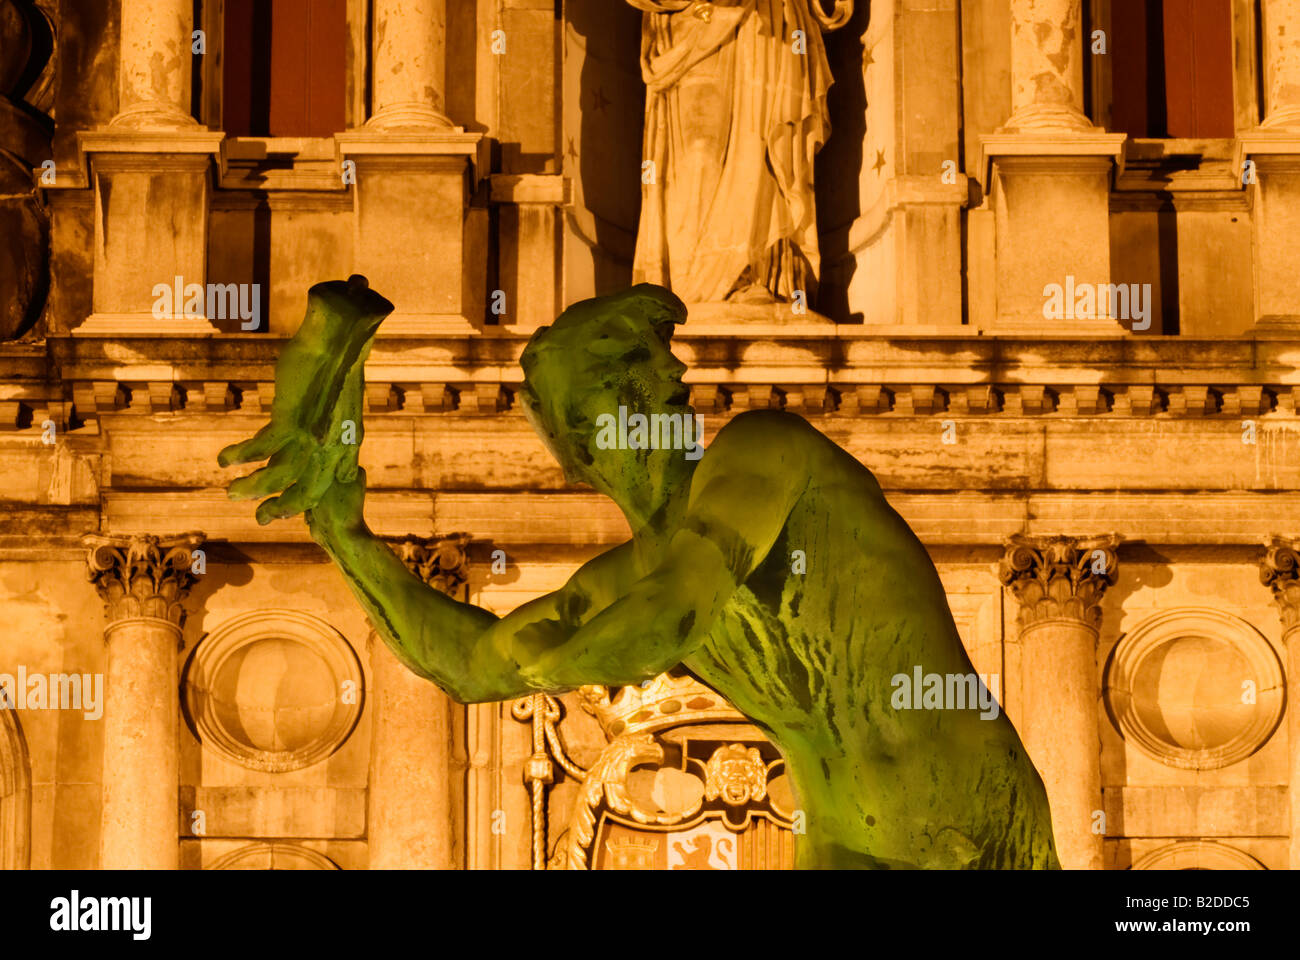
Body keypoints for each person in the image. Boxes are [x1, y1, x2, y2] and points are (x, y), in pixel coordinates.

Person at [220, 277, 1059, 869]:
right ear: (574, 440)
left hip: (974, 831)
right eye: (594, 402)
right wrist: (340, 530)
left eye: (634, 380)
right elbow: (469, 666)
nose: (659, 385)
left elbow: (676, 612)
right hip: (845, 844)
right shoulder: (624, 575)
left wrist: (552, 664)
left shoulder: (765, 453)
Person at [627, 0, 849, 304]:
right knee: (698, 157)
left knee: (761, 150)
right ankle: (690, 286)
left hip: (769, 21)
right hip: (694, 23)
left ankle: (757, 273)